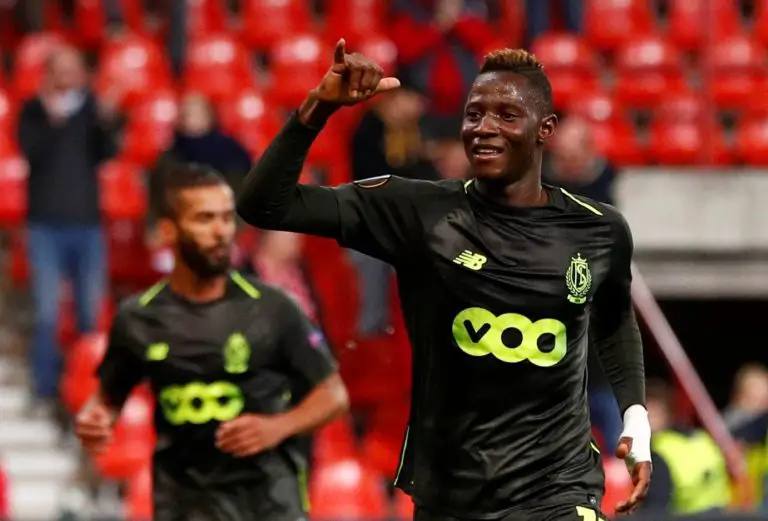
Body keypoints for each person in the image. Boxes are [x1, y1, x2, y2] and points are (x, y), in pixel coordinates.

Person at [237, 40, 651, 521]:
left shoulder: (598, 229)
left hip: (557, 489)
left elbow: (614, 321)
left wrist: (636, 419)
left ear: (546, 130)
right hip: (451, 495)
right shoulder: (419, 212)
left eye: (506, 115)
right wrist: (317, 108)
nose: (484, 128)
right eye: (474, 115)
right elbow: (264, 205)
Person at [74, 163, 349, 521]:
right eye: (204, 219)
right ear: (168, 230)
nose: (220, 231)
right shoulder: (138, 318)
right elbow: (107, 399)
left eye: (226, 218)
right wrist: (96, 419)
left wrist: (277, 427)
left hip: (267, 504)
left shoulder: (273, 308)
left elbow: (334, 395)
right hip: (183, 505)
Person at [17, 46, 118, 409]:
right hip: (44, 226)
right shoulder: (33, 110)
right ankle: (45, 390)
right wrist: (52, 119)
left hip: (87, 225)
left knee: (90, 313)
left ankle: (88, 389)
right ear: (48, 73)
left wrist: (107, 120)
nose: (67, 75)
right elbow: (31, 151)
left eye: (73, 68)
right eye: (60, 69)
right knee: (47, 313)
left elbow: (106, 152)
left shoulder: (92, 109)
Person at [640, 379, 730, 515]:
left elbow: (654, 510)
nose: (648, 422)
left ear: (667, 415)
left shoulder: (658, 450)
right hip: (721, 514)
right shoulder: (703, 438)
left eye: (652, 416)